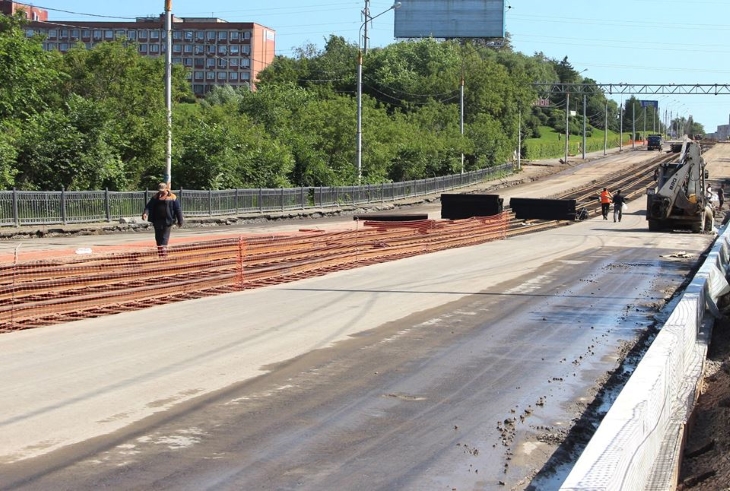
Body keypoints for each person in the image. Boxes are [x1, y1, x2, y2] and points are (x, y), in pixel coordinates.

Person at [142, 182, 184, 256]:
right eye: (160, 190)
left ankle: (163, 253)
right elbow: (149, 206)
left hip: (167, 220)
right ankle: (160, 253)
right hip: (157, 220)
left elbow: (178, 209)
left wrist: (180, 221)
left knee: (164, 237)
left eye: (162, 190)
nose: (161, 192)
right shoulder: (155, 197)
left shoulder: (172, 197)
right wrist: (145, 213)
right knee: (158, 237)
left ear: (166, 189)